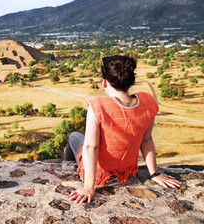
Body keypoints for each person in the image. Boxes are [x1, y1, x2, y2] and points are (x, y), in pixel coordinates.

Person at [65, 55, 181, 204]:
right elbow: (146, 140)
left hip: (100, 172)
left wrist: (88, 186)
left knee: (74, 136)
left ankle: (71, 168)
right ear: (130, 81)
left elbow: (91, 147)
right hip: (125, 169)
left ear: (104, 82)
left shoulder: (97, 106)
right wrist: (154, 174)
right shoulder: (148, 102)